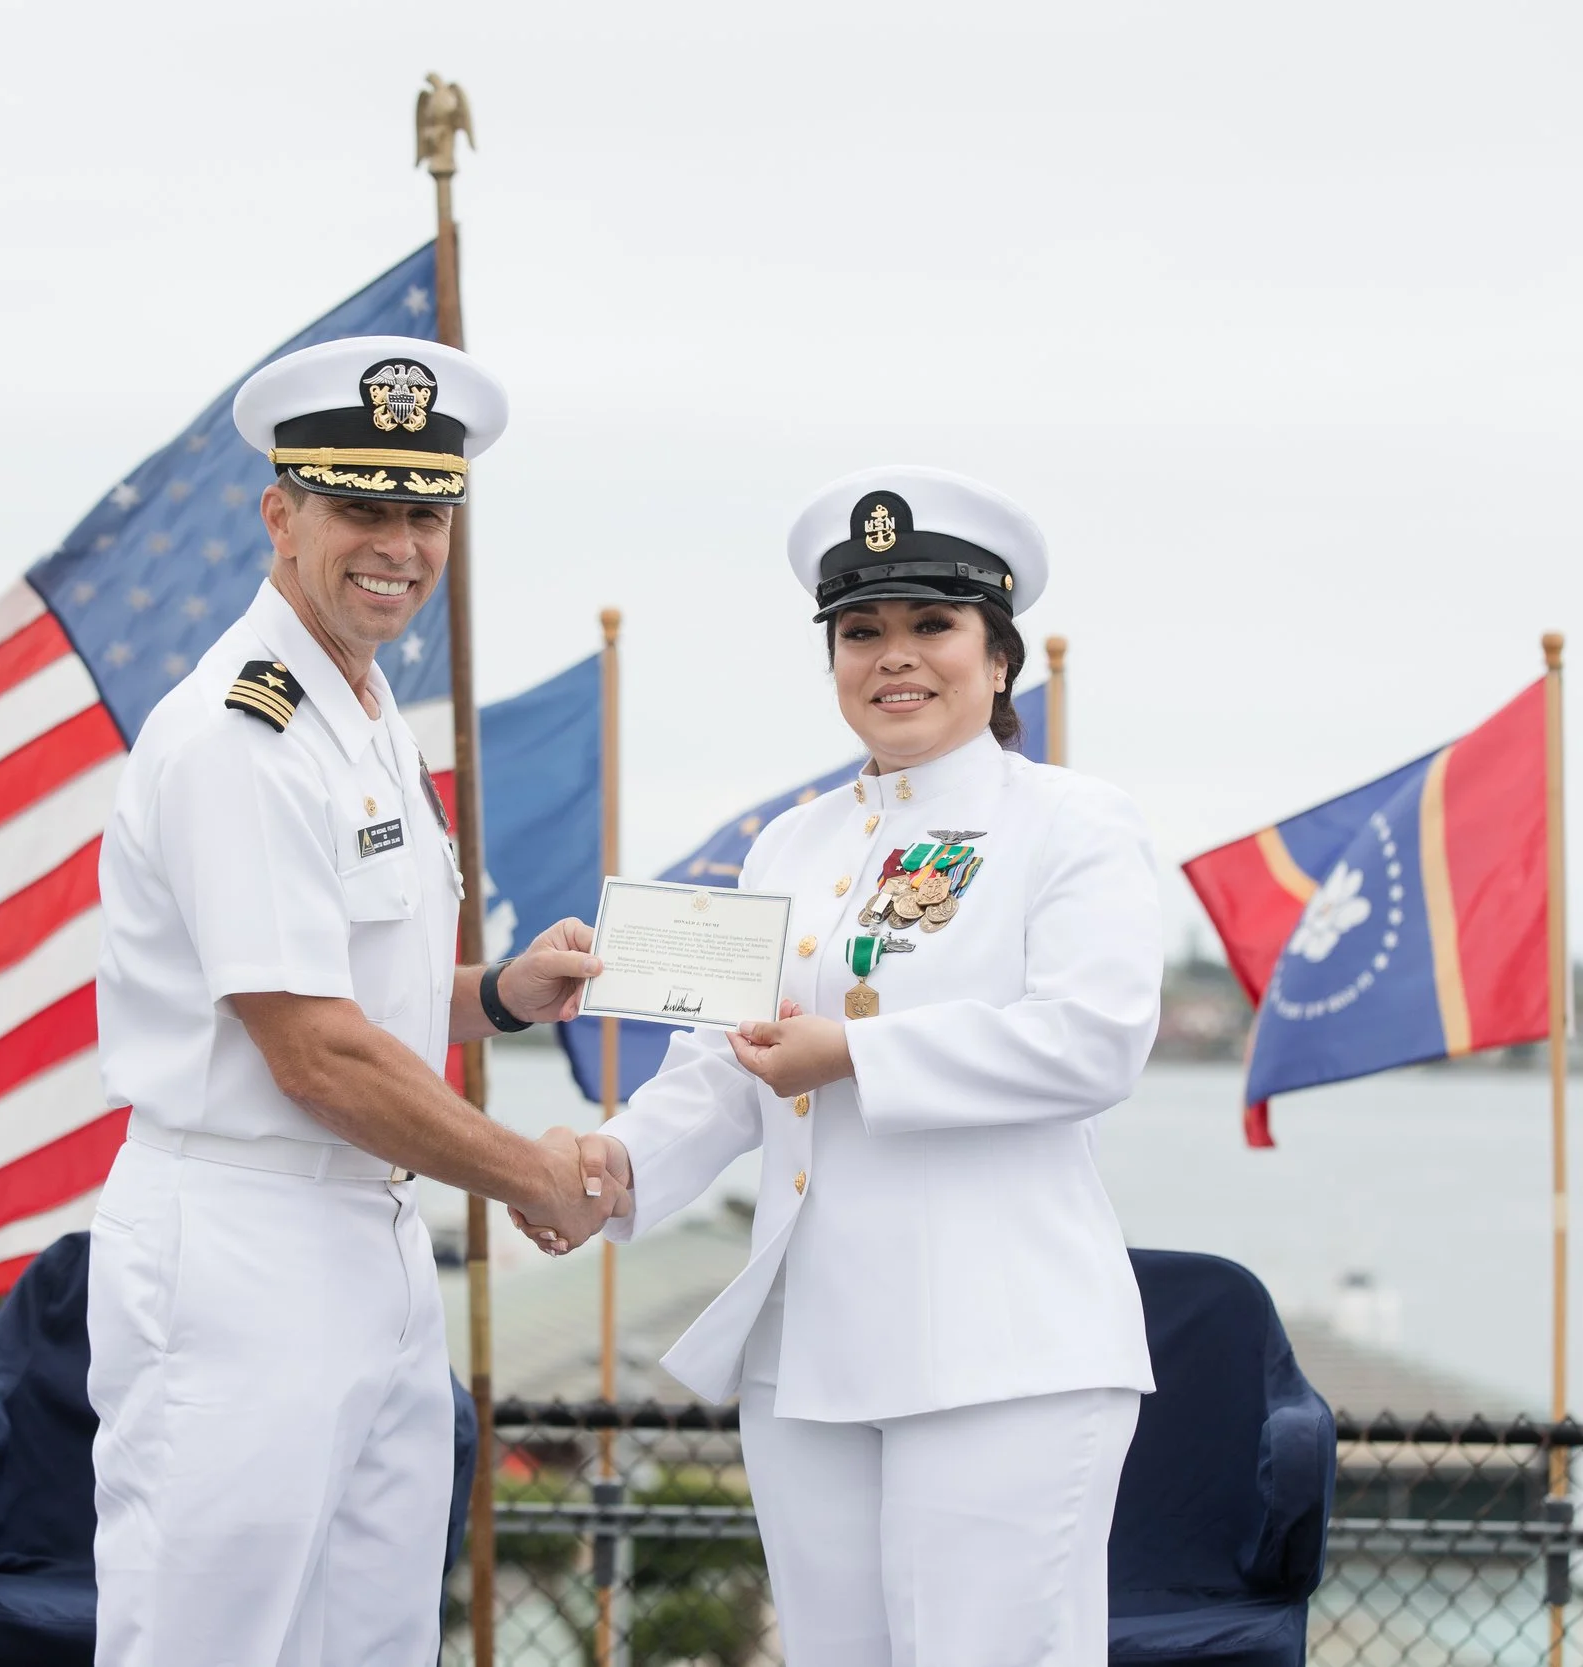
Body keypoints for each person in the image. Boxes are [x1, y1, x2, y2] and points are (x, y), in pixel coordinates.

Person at [518, 466, 1162, 1665]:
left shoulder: (1071, 821)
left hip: (1002, 1350)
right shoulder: (794, 841)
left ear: (998, 654)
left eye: (932, 624)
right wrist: (604, 1163)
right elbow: (724, 1062)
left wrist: (852, 1051)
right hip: (812, 1349)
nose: (894, 656)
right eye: (860, 631)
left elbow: (1094, 1038)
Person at [86, 334, 627, 1667]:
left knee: (368, 1639)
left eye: (425, 511)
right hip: (240, 1237)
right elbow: (316, 1054)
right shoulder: (240, 735)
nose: (400, 544)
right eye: (361, 507)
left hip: (367, 1236)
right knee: (207, 1639)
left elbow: (351, 992)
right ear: (283, 515)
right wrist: (528, 1172)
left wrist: (497, 994)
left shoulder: (367, 710)